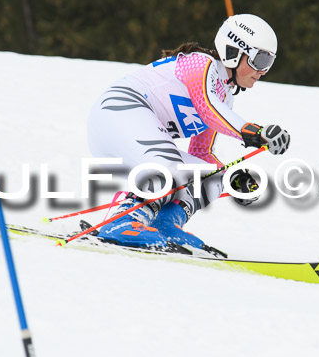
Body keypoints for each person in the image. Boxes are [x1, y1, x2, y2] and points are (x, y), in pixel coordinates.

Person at [86, 14, 290, 254]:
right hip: (117, 112)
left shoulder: (225, 95)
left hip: (133, 138)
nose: (264, 70)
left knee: (211, 176)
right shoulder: (199, 64)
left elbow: (201, 152)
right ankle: (121, 222)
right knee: (168, 167)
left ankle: (165, 224)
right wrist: (255, 133)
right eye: (260, 59)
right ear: (234, 51)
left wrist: (233, 180)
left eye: (270, 62)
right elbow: (208, 107)